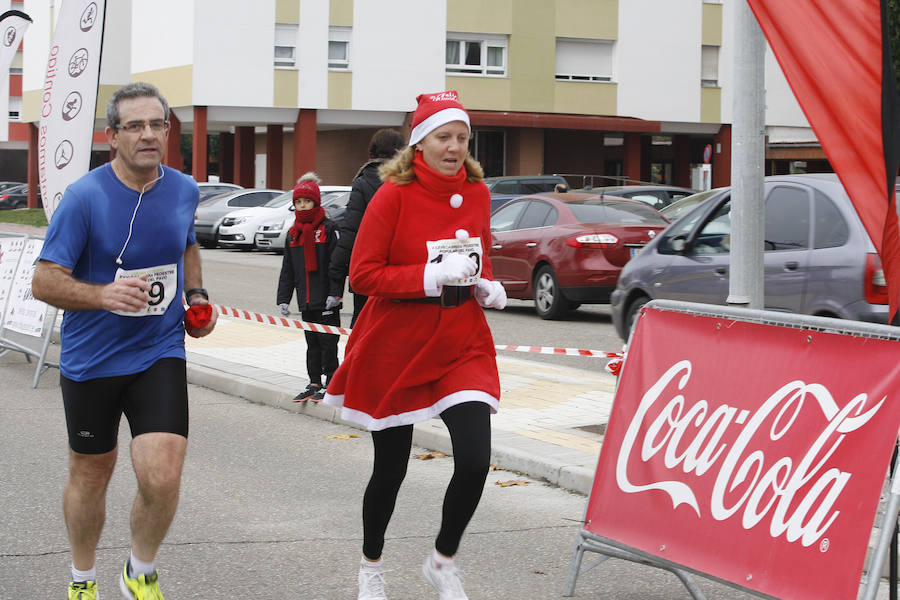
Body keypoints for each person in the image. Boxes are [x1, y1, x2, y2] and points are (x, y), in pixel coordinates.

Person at [31, 82, 217, 600]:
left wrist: (197, 297)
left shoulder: (183, 189)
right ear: (112, 136)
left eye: (157, 124)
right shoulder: (85, 198)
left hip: (159, 349)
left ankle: (139, 570)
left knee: (162, 474)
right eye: (134, 126)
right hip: (92, 360)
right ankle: (82, 580)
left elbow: (187, 246)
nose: (148, 135)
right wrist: (103, 295)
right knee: (92, 474)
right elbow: (43, 281)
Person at [323, 90, 507, 600]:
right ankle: (371, 566)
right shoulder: (392, 195)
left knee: (474, 460)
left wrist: (487, 283)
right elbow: (363, 274)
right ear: (420, 143)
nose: (454, 147)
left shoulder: (477, 192)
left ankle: (442, 561)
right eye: (443, 137)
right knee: (391, 469)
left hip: (459, 340)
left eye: (462, 138)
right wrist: (428, 276)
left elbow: (478, 254)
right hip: (398, 344)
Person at [329, 128, 405, 327]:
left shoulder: (363, 182)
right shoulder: (410, 181)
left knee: (363, 325)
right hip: (402, 270)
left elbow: (351, 231)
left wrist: (336, 273)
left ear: (372, 152)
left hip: (367, 269)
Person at [277, 173, 342, 402]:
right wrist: (283, 298)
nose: (302, 206)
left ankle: (331, 382)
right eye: (298, 202)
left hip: (326, 299)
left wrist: (335, 293)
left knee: (328, 342)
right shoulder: (293, 234)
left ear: (316, 202)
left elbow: (336, 265)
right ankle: (314, 382)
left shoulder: (328, 229)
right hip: (306, 300)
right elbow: (288, 270)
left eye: (306, 201)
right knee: (311, 342)